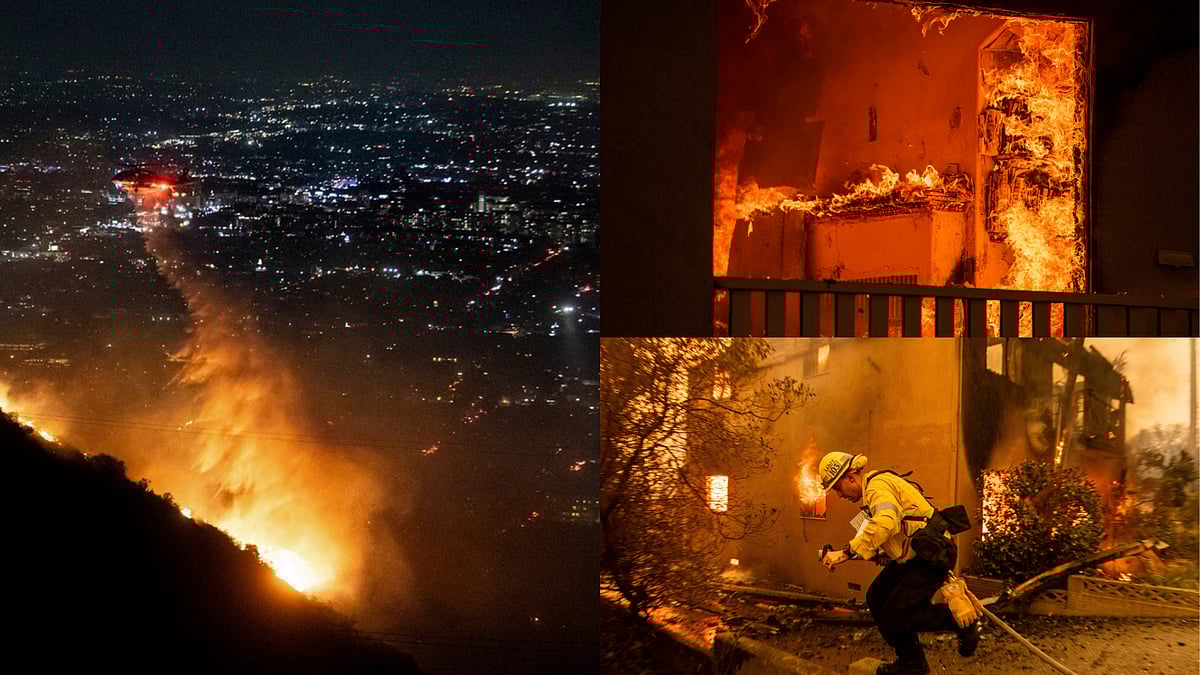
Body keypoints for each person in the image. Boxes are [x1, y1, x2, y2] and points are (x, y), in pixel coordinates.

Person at [817, 452, 979, 675]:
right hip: (912, 558)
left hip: (930, 556)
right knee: (876, 597)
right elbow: (882, 536)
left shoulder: (877, 487)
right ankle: (912, 665)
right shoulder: (871, 497)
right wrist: (852, 553)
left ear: (852, 477)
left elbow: (885, 523)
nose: (838, 494)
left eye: (837, 488)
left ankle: (960, 622)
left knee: (896, 615)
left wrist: (845, 553)